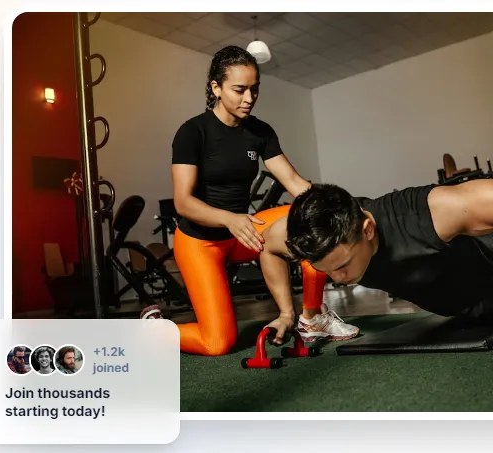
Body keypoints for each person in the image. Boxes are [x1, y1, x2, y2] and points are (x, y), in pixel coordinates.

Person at [144, 46, 359, 356]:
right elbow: (183, 203)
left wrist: (342, 205)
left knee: (313, 221)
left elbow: (295, 183)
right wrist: (229, 218)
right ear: (216, 88)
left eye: (254, 89)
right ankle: (152, 331)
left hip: (244, 232)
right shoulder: (193, 132)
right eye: (239, 89)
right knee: (217, 343)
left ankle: (312, 319)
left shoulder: (259, 132)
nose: (249, 98)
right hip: (201, 242)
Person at [257, 179, 493, 344]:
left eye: (342, 266)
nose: (337, 279)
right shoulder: (307, 235)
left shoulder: (426, 213)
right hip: (454, 308)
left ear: (368, 230)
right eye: (326, 270)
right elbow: (267, 247)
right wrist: (286, 314)